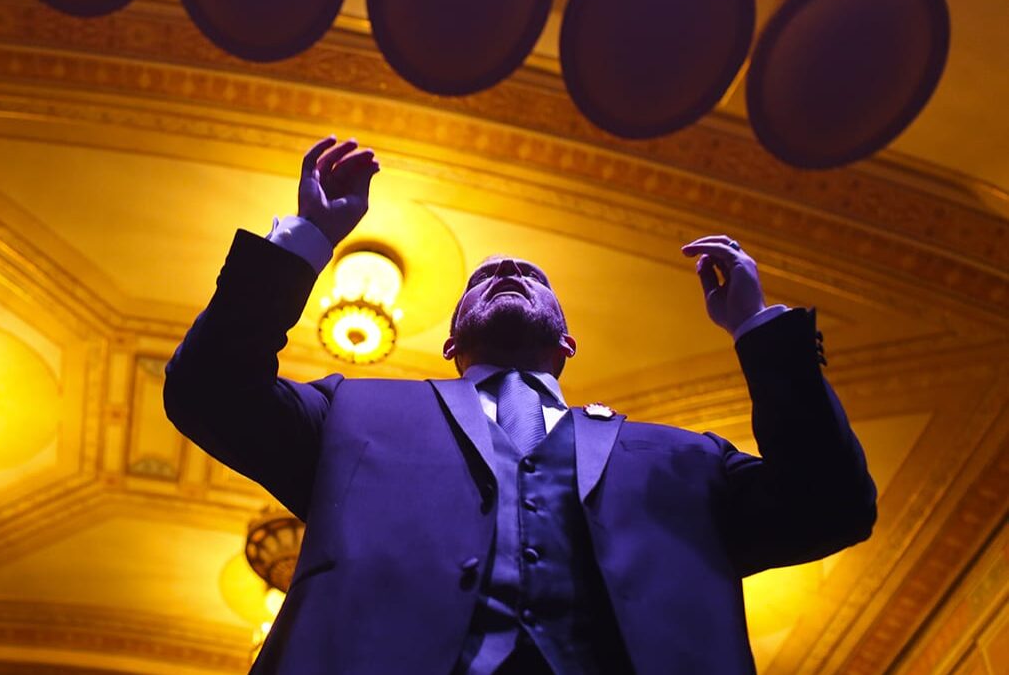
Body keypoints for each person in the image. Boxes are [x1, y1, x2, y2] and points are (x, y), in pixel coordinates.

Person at [165, 137, 876, 675]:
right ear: (449, 344)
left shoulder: (684, 461)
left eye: (528, 274)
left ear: (568, 340)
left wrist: (758, 329)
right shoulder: (352, 415)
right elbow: (208, 390)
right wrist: (307, 240)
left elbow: (832, 504)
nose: (506, 269)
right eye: (486, 277)